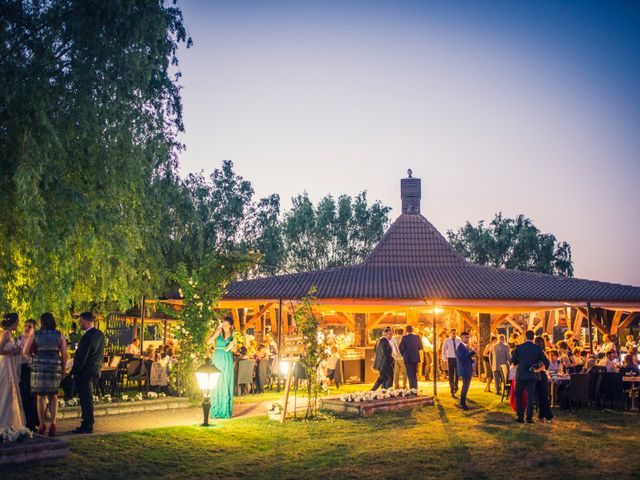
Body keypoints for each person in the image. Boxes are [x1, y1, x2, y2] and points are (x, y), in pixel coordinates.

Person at [21, 312, 67, 437]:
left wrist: (32, 360)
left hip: (39, 365)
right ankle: (53, 423)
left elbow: (25, 351)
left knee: (40, 397)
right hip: (54, 365)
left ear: (41, 322)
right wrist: (63, 369)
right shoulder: (60, 335)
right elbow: (64, 353)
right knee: (53, 396)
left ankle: (41, 424)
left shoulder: (35, 334)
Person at [69, 312, 105, 434]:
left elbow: (82, 357)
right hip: (95, 370)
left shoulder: (87, 337)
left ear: (86, 321)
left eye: (80, 321)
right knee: (88, 398)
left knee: (85, 398)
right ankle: (88, 422)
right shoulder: (100, 335)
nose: (79, 323)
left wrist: (74, 371)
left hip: (84, 372)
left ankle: (87, 424)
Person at [511, 330, 549, 424]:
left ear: (525, 337)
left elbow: (513, 361)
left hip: (521, 375)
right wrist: (539, 369)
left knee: (518, 396)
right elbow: (546, 362)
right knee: (530, 397)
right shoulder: (537, 348)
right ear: (533, 337)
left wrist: (518, 362)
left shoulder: (519, 347)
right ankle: (529, 418)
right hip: (532, 375)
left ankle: (520, 417)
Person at [0, 313, 25, 429]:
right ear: (13, 322)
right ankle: (4, 422)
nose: (18, 324)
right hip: (4, 364)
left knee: (10, 391)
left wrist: (16, 351)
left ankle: (9, 421)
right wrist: (13, 352)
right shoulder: (5, 333)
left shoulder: (9, 334)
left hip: (9, 363)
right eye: (17, 322)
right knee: (6, 390)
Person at [209, 317, 236, 419]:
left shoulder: (233, 336)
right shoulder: (218, 333)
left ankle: (225, 410)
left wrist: (232, 345)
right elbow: (208, 342)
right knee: (217, 382)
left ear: (231, 326)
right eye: (223, 324)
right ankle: (216, 410)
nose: (224, 326)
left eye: (226, 324)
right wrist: (216, 333)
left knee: (226, 382)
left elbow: (234, 350)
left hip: (227, 359)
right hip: (218, 358)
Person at [17, 319, 38, 430]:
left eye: (29, 326)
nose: (26, 328)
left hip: (34, 369)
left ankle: (33, 421)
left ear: (34, 328)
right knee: (24, 394)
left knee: (33, 396)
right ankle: (26, 421)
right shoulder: (19, 339)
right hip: (23, 368)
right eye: (25, 326)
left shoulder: (36, 340)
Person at [533, 336, 553, 422]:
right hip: (541, 375)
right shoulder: (542, 352)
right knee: (541, 396)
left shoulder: (539, 352)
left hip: (540, 375)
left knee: (543, 397)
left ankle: (548, 416)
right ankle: (542, 415)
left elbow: (545, 365)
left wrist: (536, 370)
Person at [456, 332, 476, 410]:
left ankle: (463, 402)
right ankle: (463, 404)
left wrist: (472, 361)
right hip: (464, 369)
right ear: (462, 338)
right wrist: (473, 352)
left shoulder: (465, 347)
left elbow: (466, 357)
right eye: (466, 337)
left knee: (466, 386)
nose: (468, 339)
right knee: (465, 386)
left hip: (467, 369)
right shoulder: (460, 347)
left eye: (468, 337)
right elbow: (463, 358)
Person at [399, 325, 423, 389]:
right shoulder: (417, 337)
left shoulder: (404, 338)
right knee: (414, 374)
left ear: (406, 330)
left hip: (407, 358)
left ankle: (412, 388)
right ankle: (415, 388)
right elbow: (420, 347)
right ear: (412, 330)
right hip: (415, 357)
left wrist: (403, 354)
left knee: (410, 374)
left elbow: (400, 347)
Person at [441, 329, 460, 397]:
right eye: (453, 333)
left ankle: (456, 385)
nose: (454, 335)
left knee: (457, 373)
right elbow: (443, 349)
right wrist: (444, 358)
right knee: (451, 374)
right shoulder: (447, 340)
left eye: (455, 333)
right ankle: (452, 388)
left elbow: (461, 348)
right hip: (450, 358)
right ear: (450, 334)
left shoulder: (458, 339)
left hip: (457, 358)